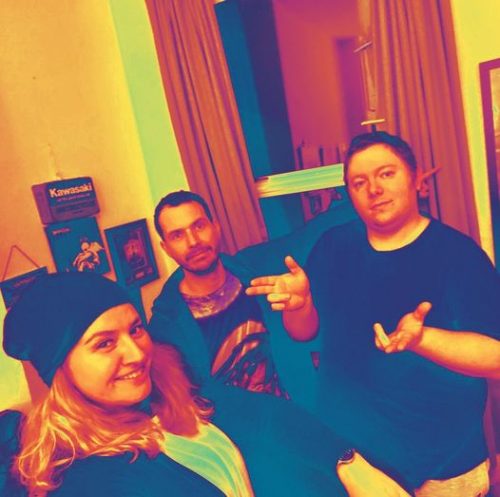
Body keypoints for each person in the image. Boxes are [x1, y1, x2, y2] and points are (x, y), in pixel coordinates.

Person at [0, 272, 412, 497]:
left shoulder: (169, 390)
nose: (136, 353)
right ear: (61, 371)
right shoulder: (84, 481)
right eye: (104, 343)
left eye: (135, 329)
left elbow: (266, 414)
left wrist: (347, 461)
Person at [247, 131, 500, 496]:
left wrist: (424, 339)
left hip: (442, 466)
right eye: (359, 182)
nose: (374, 190)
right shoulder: (333, 246)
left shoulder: (459, 255)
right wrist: (300, 306)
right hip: (357, 464)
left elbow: (495, 359)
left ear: (416, 179)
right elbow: (305, 333)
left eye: (386, 174)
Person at [149, 190, 357, 410]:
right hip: (240, 428)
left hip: (301, 412)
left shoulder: (257, 268)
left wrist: (301, 307)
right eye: (177, 235)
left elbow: (313, 233)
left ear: (216, 227)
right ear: (166, 248)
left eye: (199, 226)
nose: (193, 241)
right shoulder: (165, 328)